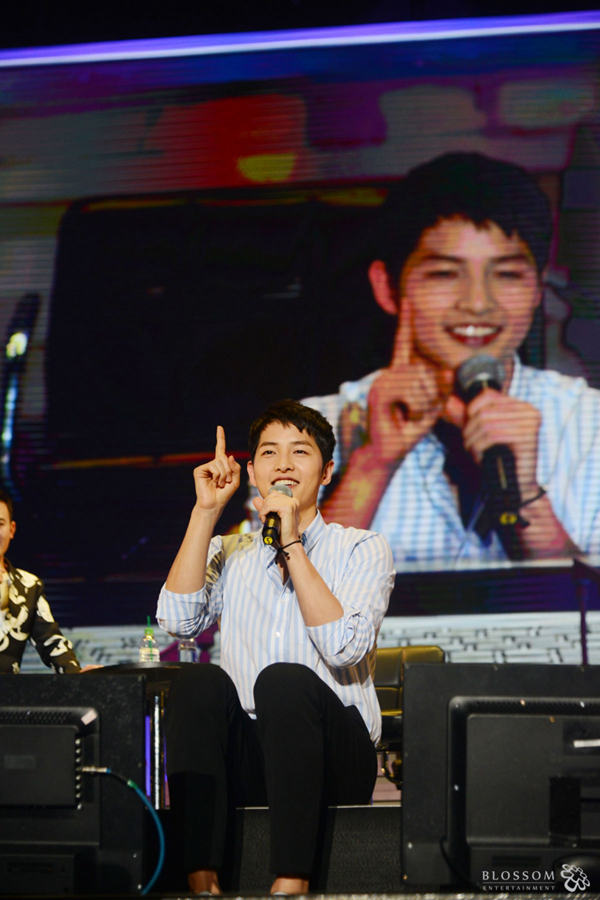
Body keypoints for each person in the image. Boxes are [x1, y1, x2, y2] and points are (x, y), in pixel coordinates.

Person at [303, 151, 600, 566]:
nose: (478, 303)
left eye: (507, 274)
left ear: (537, 289)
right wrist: (372, 464)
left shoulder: (587, 422)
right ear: (388, 288)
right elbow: (275, 601)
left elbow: (589, 605)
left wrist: (527, 495)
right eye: (444, 274)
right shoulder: (309, 429)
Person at [157, 400, 394, 895]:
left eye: (300, 452)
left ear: (326, 471)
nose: (283, 464)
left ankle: (292, 881)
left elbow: (344, 647)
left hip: (334, 755)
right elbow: (177, 622)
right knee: (196, 681)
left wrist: (292, 546)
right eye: (269, 452)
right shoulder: (231, 551)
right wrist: (206, 512)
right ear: (251, 473)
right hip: (254, 755)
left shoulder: (361, 547)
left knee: (282, 681)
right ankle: (201, 879)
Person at [0, 489, 81, 674]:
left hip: (8, 691)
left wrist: (78, 675)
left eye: (0, 524)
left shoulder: (28, 585)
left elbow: (51, 643)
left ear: (11, 529)